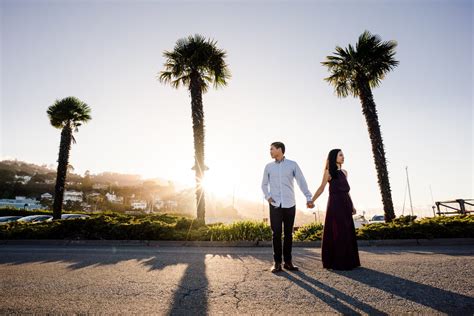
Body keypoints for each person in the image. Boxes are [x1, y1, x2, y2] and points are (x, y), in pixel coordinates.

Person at [261, 141, 314, 273]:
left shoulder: (292, 165)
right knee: (276, 234)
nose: (270, 151)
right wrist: (268, 197)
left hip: (290, 203)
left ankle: (288, 262)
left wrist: (308, 197)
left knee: (289, 234)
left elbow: (301, 181)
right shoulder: (268, 167)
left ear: (280, 149)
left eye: (272, 149)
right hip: (275, 204)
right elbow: (263, 184)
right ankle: (277, 263)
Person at [311, 149, 361, 270]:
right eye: (340, 155)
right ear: (334, 157)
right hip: (335, 204)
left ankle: (350, 261)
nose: (343, 157)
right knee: (338, 231)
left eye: (343, 155)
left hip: (346, 204)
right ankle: (337, 262)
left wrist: (352, 205)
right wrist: (312, 200)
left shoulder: (345, 172)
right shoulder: (329, 172)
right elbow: (322, 187)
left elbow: (347, 191)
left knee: (347, 231)